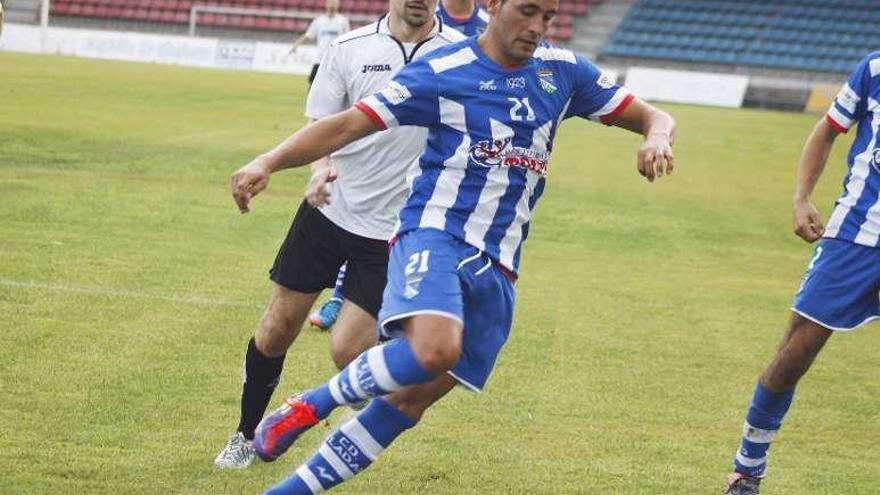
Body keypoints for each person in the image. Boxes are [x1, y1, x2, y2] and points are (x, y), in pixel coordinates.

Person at [229, 0, 676, 492]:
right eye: (527, 11)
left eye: (548, 17)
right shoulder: (442, 70)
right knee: (434, 348)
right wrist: (267, 162)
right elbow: (344, 125)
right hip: (435, 234)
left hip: (501, 265)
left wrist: (656, 136)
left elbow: (653, 115)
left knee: (408, 402)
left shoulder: (563, 71)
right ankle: (314, 403)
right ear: (493, 5)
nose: (537, 28)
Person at [213, 0, 465, 469]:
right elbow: (323, 128)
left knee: (348, 348)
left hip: (393, 232)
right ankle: (246, 435)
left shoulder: (459, 56)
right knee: (276, 329)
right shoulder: (348, 48)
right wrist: (320, 169)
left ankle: (346, 402)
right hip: (328, 212)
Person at [723, 50, 880, 495]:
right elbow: (827, 130)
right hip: (856, 234)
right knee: (794, 353)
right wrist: (801, 198)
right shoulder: (874, 69)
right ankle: (746, 470)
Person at [307, 0, 490, 332]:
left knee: (371, 331)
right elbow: (323, 121)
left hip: (420, 199)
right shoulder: (354, 46)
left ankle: (389, 318)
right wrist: (319, 167)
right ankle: (339, 296)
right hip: (344, 196)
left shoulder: (471, 37)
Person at [289, 0, 350, 86]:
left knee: (335, 86)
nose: (332, 4)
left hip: (336, 60)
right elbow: (308, 35)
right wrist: (296, 45)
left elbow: (348, 38)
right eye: (330, 2)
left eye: (334, 2)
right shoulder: (319, 20)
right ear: (326, 4)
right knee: (312, 83)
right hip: (321, 59)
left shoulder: (343, 21)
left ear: (338, 5)